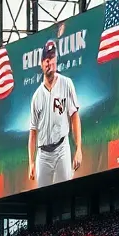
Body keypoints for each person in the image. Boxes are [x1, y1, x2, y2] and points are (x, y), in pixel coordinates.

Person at [28, 39, 81, 188]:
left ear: (56, 60)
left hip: (62, 148)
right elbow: (33, 132)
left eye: (51, 58)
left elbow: (74, 117)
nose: (48, 62)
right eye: (46, 59)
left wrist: (78, 149)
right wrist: (31, 162)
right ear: (41, 64)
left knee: (65, 192)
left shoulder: (66, 83)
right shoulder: (37, 96)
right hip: (43, 154)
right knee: (43, 197)